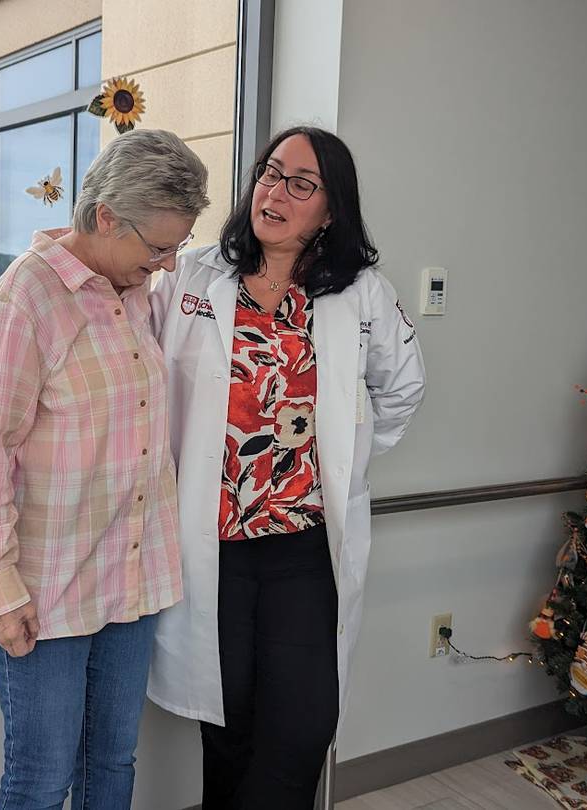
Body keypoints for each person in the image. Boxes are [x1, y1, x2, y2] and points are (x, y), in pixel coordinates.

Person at [147, 126, 427, 807]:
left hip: (303, 550)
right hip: (211, 548)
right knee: (229, 726)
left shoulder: (359, 292)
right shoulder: (193, 274)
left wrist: (344, 462)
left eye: (301, 183)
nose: (276, 191)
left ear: (330, 210)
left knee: (302, 728)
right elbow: (142, 377)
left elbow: (404, 387)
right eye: (271, 174)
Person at [0, 128, 209, 810]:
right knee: (41, 780)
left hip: (130, 580)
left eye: (175, 246)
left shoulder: (136, 291)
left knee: (112, 764)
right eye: (157, 247)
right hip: (47, 592)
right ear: (102, 218)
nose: (166, 263)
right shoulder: (24, 302)